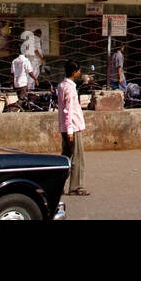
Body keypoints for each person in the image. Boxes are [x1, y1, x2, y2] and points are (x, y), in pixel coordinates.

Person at [58, 61, 89, 196]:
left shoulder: (61, 85)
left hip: (65, 126)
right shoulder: (69, 88)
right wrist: (70, 130)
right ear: (74, 72)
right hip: (73, 127)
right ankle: (76, 187)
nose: (79, 73)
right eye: (78, 71)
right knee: (77, 158)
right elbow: (68, 110)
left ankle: (57, 184)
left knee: (65, 157)